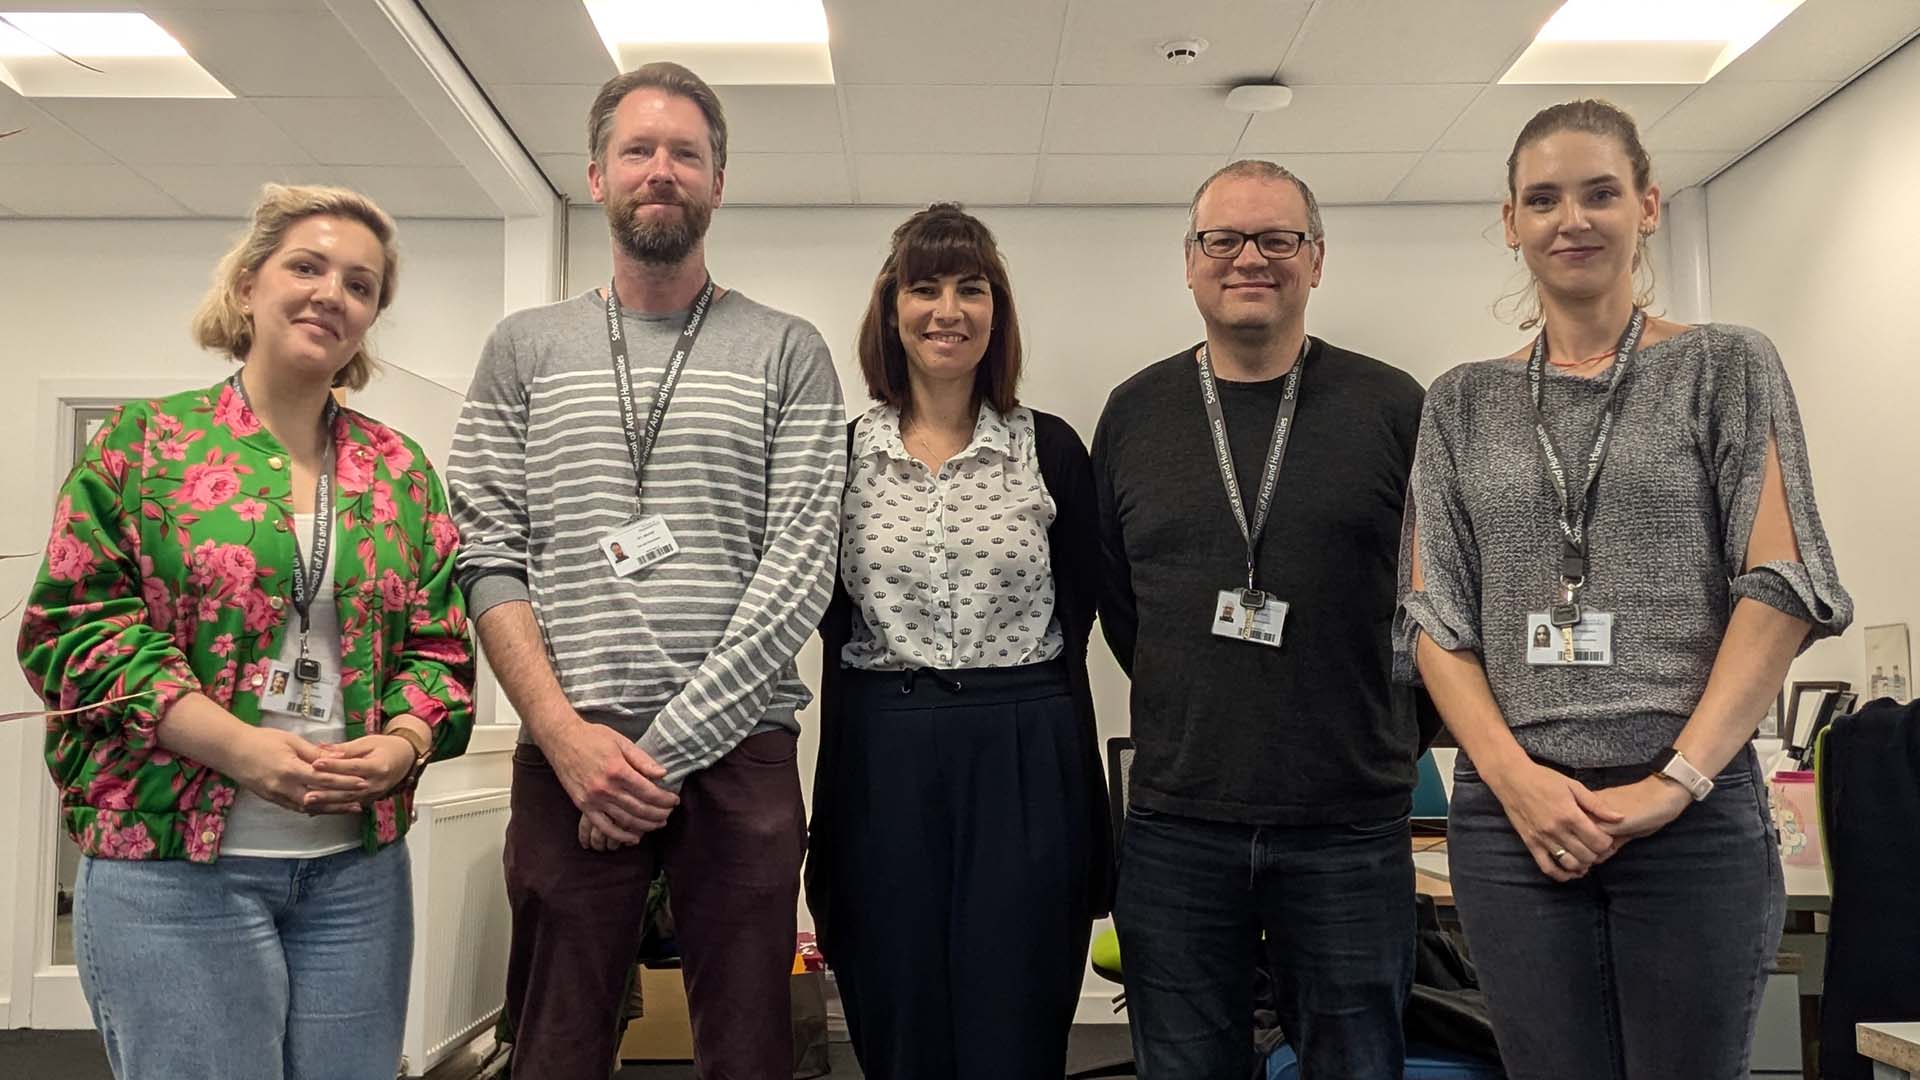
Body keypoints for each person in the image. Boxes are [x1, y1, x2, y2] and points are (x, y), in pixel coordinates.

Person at [1397, 99, 1852, 1080]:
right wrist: (1517, 786)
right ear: (1511, 221)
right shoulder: (1461, 403)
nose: (1574, 219)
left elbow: (1780, 583)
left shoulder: (1724, 367)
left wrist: (1673, 784)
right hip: (1515, 822)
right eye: (1545, 198)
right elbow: (1437, 622)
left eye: (1601, 193)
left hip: (1689, 809)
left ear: (1647, 205)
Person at [15, 183, 475, 1080]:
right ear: (249, 286)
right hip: (174, 868)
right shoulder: (146, 445)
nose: (331, 294)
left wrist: (407, 741)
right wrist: (232, 745)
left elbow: (442, 645)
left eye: (360, 284)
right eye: (307, 267)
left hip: (355, 875)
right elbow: (74, 629)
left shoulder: (398, 470)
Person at [446, 61, 844, 1079]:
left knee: (752, 1048)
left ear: (720, 181)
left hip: (740, 751)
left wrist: (660, 754)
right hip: (567, 749)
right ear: (594, 173)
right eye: (638, 150)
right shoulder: (523, 349)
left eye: (685, 153)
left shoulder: (786, 351)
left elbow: (798, 570)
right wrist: (565, 737)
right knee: (553, 1043)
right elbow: (485, 551)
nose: (660, 170)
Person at [1092, 160, 1429, 1078]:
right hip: (1179, 818)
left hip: (1349, 820)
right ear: (1191, 262)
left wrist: (1396, 736)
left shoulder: (1393, 406)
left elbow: (1439, 600)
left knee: (1358, 1062)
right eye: (1224, 239)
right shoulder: (1134, 412)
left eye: (1278, 239)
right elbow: (1122, 605)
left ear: (1316, 260)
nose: (1250, 258)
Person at [805, 203, 1111, 1079]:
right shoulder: (840, 455)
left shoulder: (1048, 449)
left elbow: (1081, 611)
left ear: (997, 312)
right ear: (891, 310)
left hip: (1023, 744)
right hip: (882, 749)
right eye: (925, 287)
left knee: (1015, 1005)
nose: (948, 309)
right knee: (893, 995)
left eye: (970, 288)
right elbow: (828, 614)